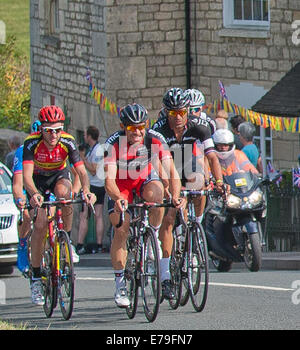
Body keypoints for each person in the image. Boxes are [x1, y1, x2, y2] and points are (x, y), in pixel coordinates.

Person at [104, 103, 185, 308]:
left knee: (157, 193)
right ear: (123, 127)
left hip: (143, 180)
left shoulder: (155, 139)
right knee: (121, 228)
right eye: (132, 128)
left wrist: (175, 196)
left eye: (141, 127)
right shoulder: (113, 143)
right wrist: (118, 199)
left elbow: (173, 173)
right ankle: (120, 283)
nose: (138, 132)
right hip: (120, 185)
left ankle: (153, 235)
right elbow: (109, 181)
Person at [152, 87, 224, 296]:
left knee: (199, 182)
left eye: (182, 112)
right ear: (166, 112)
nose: (178, 117)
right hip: (167, 167)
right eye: (173, 113)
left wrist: (218, 181)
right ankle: (165, 276)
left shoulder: (199, 126)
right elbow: (159, 163)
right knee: (169, 217)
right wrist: (169, 190)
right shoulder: (159, 129)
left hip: (188, 166)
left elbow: (211, 157)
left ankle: (196, 224)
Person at [23, 105, 95, 305]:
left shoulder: (67, 141)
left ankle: (67, 240)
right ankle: (36, 278)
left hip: (58, 176)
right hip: (37, 181)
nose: (53, 134)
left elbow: (81, 172)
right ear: (42, 129)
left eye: (57, 129)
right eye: (49, 130)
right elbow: (27, 177)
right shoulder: (31, 143)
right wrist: (35, 194)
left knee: (66, 195)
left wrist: (86, 190)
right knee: (39, 225)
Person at [12, 121, 42, 275]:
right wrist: (19, 198)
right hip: (26, 187)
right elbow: (18, 182)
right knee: (27, 215)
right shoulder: (23, 151)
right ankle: (23, 246)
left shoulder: (54, 150)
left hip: (43, 187)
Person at [77, 126, 106, 254]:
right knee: (97, 215)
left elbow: (93, 170)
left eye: (85, 135)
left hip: (94, 186)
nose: (84, 138)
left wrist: (82, 158)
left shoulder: (97, 150)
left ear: (89, 136)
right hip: (100, 185)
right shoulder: (95, 149)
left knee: (84, 216)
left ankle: (79, 244)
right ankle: (98, 244)